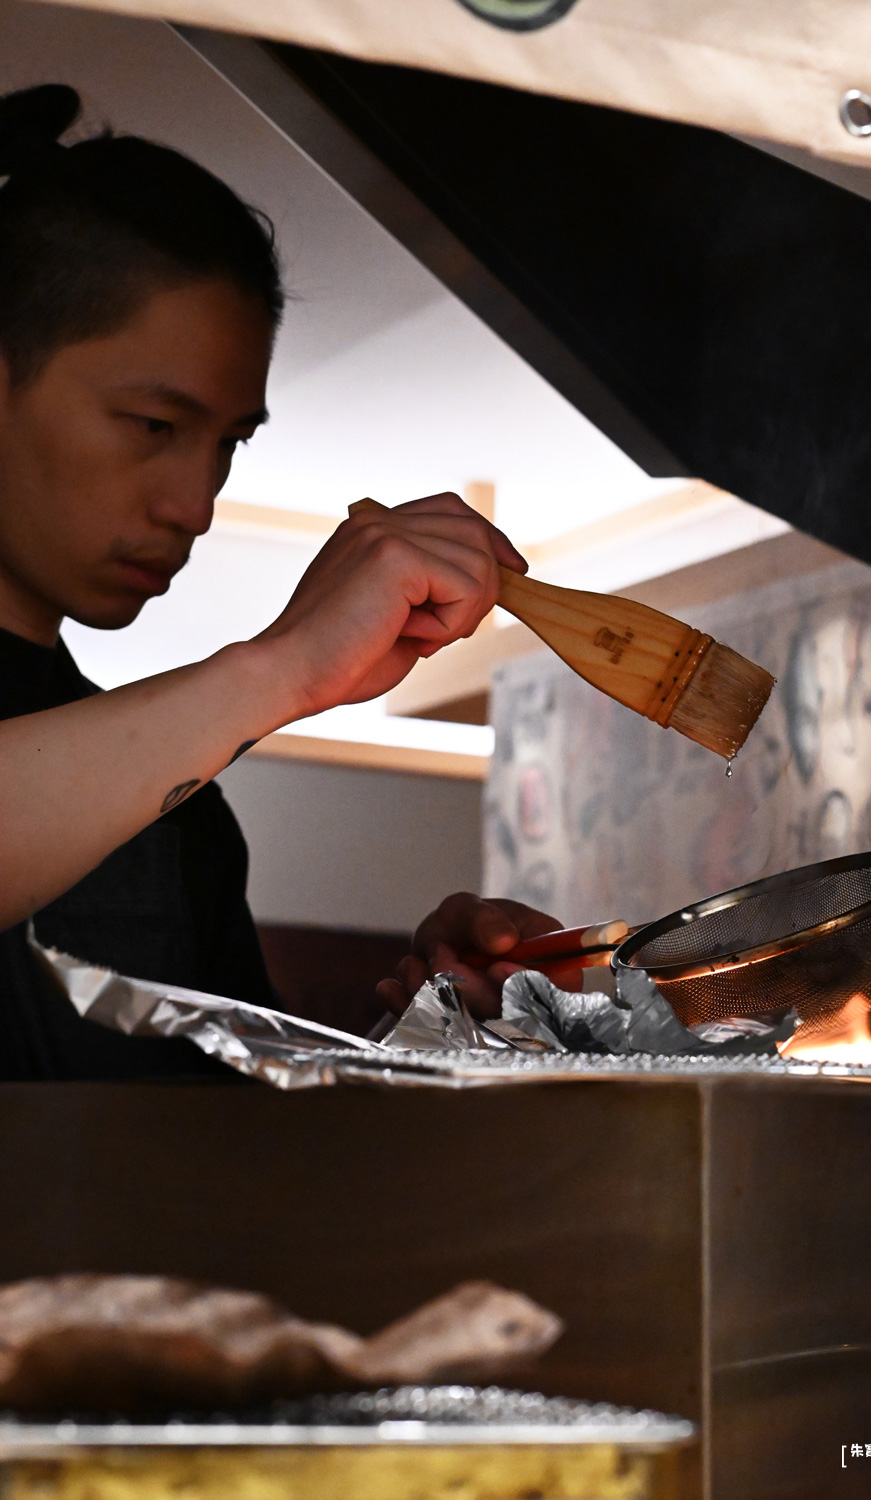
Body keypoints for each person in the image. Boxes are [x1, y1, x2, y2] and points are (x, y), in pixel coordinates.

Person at [0, 83, 554, 1080]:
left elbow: (230, 1148)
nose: (196, 505)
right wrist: (283, 668)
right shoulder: (185, 760)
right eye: (154, 425)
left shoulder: (179, 824)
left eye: (228, 444)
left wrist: (438, 1038)